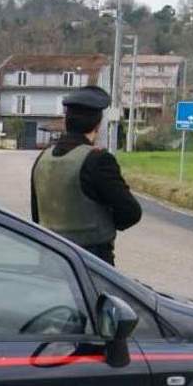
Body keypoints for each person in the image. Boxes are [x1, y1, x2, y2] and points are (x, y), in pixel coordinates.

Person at [30, 85, 141, 266]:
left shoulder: (43, 158)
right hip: (91, 263)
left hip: (50, 258)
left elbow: (37, 215)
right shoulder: (98, 160)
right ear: (97, 124)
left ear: (67, 121)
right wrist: (103, 222)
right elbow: (131, 212)